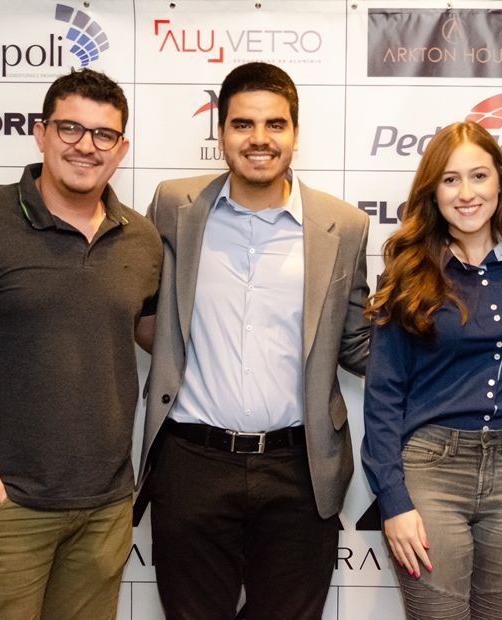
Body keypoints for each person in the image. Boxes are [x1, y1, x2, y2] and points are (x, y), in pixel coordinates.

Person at [0, 69, 161, 618]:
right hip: (6, 505)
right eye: (69, 129)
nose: (86, 147)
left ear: (121, 148)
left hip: (106, 507)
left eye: (103, 135)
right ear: (41, 133)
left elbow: (152, 334)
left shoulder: (142, 236)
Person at [134, 61, 370, 619]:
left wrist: (446, 354)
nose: (259, 139)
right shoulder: (173, 206)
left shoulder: (346, 226)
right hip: (191, 461)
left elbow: (357, 342)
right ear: (220, 134)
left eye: (275, 125)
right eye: (243, 124)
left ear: (294, 133)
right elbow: (141, 311)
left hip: (300, 465)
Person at [361, 121, 502, 619]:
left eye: (478, 176)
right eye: (450, 179)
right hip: (431, 472)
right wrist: (392, 500)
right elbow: (383, 395)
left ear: (500, 182)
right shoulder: (407, 272)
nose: (466, 193)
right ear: (432, 191)